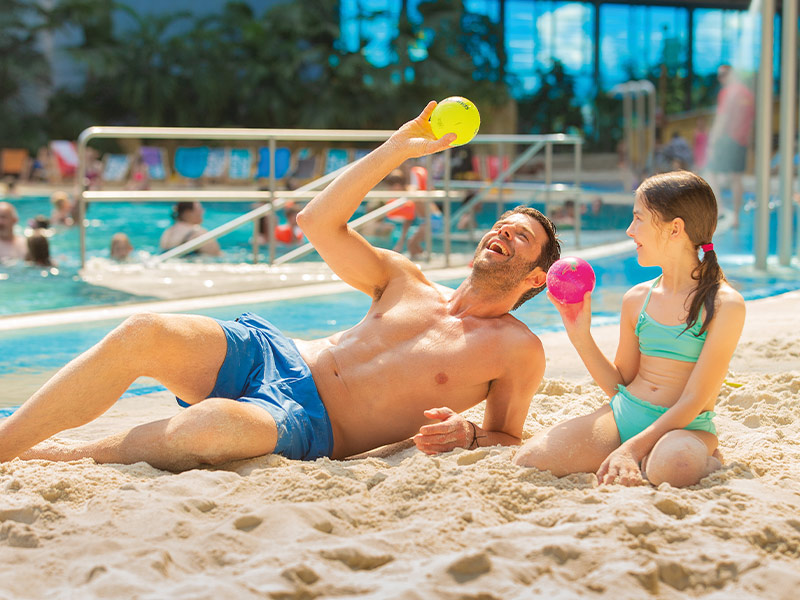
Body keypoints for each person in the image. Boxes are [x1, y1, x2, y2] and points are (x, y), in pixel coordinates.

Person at [0, 102, 561, 472]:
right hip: (273, 353)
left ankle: (61, 457)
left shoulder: (517, 348)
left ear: (536, 276)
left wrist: (467, 434)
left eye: (522, 236)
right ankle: (7, 444)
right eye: (502, 224)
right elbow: (318, 222)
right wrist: (396, 148)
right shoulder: (405, 280)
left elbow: (509, 438)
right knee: (143, 330)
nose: (503, 232)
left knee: (206, 427)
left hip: (310, 423)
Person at [514, 171, 745, 488]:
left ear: (675, 229)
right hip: (624, 416)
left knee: (673, 468)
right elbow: (619, 384)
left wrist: (631, 449)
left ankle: (705, 455)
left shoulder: (724, 304)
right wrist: (580, 334)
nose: (630, 230)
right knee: (530, 459)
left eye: (638, 219)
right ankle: (650, 457)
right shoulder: (637, 299)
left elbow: (694, 398)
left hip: (685, 428)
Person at [706, 64, 755, 228]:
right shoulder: (747, 94)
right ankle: (736, 217)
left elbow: (722, 118)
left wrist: (712, 141)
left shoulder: (727, 93)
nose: (720, 79)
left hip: (726, 139)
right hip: (741, 141)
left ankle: (719, 209)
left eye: (722, 75)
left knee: (710, 172)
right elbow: (751, 121)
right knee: (736, 178)